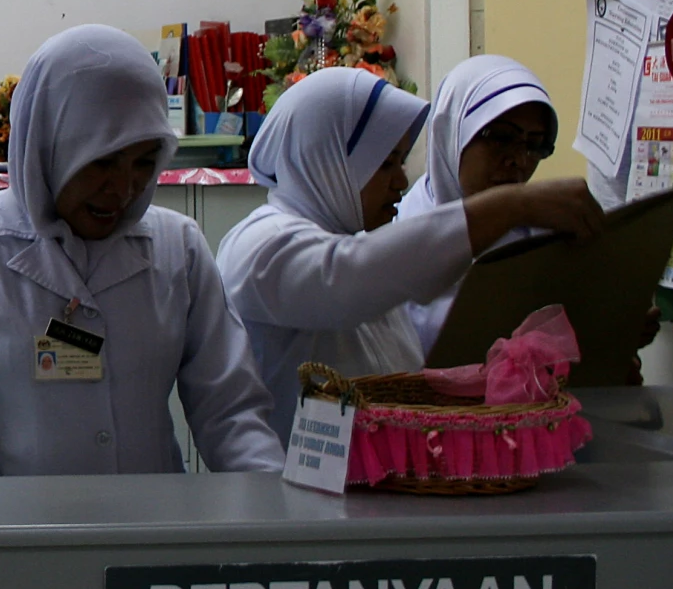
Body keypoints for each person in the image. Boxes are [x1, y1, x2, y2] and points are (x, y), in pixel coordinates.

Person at [0, 25, 282, 477]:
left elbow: (230, 412)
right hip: (14, 535)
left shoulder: (177, 248)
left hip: (152, 532)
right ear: (47, 145)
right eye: (101, 161)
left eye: (144, 162)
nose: (123, 189)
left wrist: (271, 511)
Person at [216, 66, 603, 438]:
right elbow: (348, 277)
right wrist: (511, 205)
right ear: (328, 160)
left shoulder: (359, 241)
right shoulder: (260, 245)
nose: (401, 181)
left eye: (400, 161)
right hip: (288, 493)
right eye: (386, 164)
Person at [395, 56, 558, 350]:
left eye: (535, 145)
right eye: (501, 137)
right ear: (451, 131)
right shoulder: (394, 241)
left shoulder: (547, 239)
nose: (519, 161)